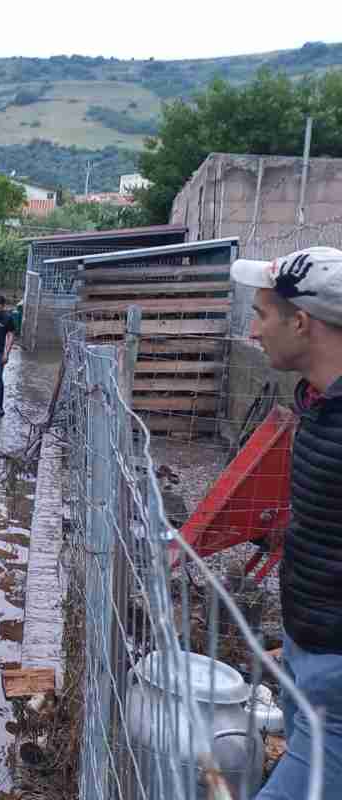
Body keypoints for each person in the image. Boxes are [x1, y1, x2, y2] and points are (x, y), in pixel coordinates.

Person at [232, 247, 342, 800]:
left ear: (301, 322)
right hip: (310, 651)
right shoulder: (319, 405)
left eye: (261, 315)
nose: (253, 331)